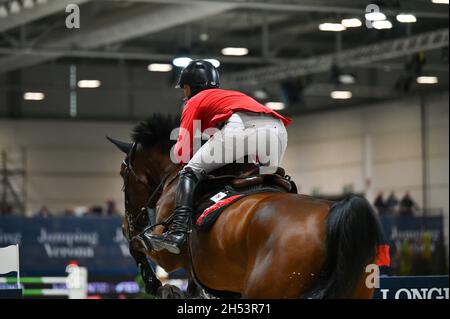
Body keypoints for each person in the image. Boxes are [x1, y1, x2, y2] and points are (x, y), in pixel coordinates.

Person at [143, 60, 292, 254]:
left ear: (191, 87)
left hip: (242, 126)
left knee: (189, 171)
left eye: (185, 88)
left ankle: (178, 231)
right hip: (277, 129)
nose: (184, 93)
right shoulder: (230, 96)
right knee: (268, 182)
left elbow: (182, 152)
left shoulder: (194, 101)